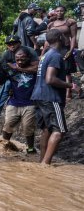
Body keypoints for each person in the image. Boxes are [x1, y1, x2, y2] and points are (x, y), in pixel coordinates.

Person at [31, 29, 74, 165]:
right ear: (60, 37)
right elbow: (50, 79)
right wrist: (71, 86)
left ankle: (41, 162)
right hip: (50, 97)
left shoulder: (45, 56)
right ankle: (45, 164)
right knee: (59, 131)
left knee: (47, 130)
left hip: (38, 96)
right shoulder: (55, 55)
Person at [0, 35, 38, 122]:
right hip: (16, 77)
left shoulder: (29, 51)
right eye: (9, 44)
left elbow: (36, 68)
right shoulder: (6, 54)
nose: (12, 46)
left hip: (31, 77)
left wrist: (18, 68)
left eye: (14, 43)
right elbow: (5, 70)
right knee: (6, 86)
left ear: (19, 43)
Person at [0, 47, 38, 154]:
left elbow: (37, 69)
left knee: (28, 127)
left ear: (28, 58)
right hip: (14, 102)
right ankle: (4, 144)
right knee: (8, 125)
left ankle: (30, 148)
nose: (20, 61)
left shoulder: (34, 68)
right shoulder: (11, 67)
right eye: (17, 59)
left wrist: (18, 69)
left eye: (22, 59)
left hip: (30, 103)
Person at [42, 5, 78, 99]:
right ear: (55, 12)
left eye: (61, 11)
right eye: (57, 11)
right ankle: (55, 90)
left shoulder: (70, 22)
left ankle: (68, 93)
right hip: (53, 50)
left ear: (64, 11)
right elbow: (47, 40)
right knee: (53, 70)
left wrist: (71, 49)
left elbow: (73, 36)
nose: (59, 13)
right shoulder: (51, 24)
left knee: (66, 71)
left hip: (65, 48)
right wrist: (43, 53)